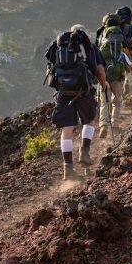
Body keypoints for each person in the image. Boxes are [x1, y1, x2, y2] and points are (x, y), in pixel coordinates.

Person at [45, 26, 108, 180]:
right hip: (83, 91)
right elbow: (99, 71)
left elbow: (50, 69)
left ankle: (68, 169)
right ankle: (84, 152)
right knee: (89, 121)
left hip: (63, 92)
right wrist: (104, 85)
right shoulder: (89, 46)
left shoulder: (58, 46)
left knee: (66, 130)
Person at [96, 14, 132, 139]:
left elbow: (96, 53)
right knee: (117, 102)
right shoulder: (121, 36)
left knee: (104, 102)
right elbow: (129, 47)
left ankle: (103, 126)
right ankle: (116, 125)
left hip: (104, 76)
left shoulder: (101, 35)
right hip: (118, 75)